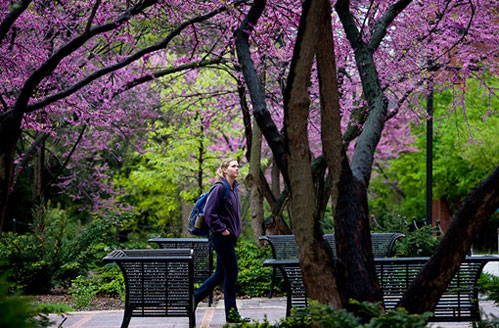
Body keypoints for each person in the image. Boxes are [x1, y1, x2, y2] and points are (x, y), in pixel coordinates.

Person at [193, 158, 250, 323]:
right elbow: (210, 213)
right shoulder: (219, 188)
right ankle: (232, 315)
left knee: (220, 274)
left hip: (230, 238)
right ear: (225, 170)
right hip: (220, 237)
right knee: (232, 271)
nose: (237, 169)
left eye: (238, 166)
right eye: (233, 166)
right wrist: (222, 230)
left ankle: (194, 299)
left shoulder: (234, 188)